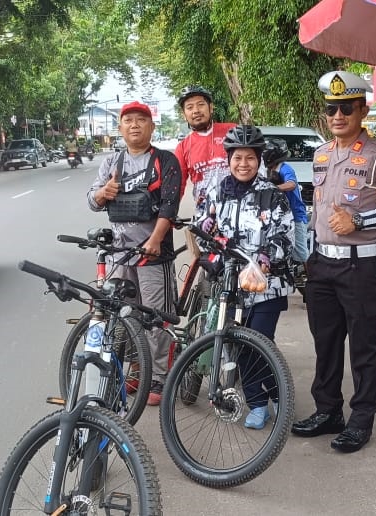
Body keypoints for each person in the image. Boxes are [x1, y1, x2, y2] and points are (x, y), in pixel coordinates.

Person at [291, 70, 376, 453]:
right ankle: (328, 411)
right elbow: (317, 207)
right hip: (323, 265)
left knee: (363, 345)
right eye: (332, 109)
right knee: (325, 343)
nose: (338, 115)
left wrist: (358, 220)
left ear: (363, 109)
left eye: (346, 108)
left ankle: (361, 420)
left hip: (361, 266)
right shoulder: (321, 154)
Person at [196, 125, 296, 430]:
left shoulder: (271, 194)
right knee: (237, 346)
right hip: (230, 287)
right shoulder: (216, 192)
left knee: (260, 343)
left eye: (250, 158)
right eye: (237, 157)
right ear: (229, 159)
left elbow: (285, 235)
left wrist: (264, 260)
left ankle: (277, 394)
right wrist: (210, 249)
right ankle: (256, 403)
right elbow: (202, 227)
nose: (243, 163)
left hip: (266, 287)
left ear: (259, 160)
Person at [87, 101, 182, 406]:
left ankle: (159, 378)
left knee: (156, 319)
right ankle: (136, 372)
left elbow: (169, 205)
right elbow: (92, 200)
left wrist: (155, 239)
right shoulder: (112, 163)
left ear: (151, 127)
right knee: (124, 317)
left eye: (141, 120)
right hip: (118, 255)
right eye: (128, 120)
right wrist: (103, 194)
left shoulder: (164, 161)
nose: (135, 125)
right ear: (121, 128)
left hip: (153, 255)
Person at [172, 85, 237, 215]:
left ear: (211, 107)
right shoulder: (183, 147)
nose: (196, 110)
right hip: (206, 217)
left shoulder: (232, 131)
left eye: (200, 105)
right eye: (189, 107)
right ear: (184, 114)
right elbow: (176, 187)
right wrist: (169, 214)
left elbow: (256, 167)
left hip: (240, 211)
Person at [262, 140, 310, 264]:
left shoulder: (285, 168)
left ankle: (312, 280)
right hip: (279, 217)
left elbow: (291, 184)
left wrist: (273, 189)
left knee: (301, 253)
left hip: (296, 216)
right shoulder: (267, 170)